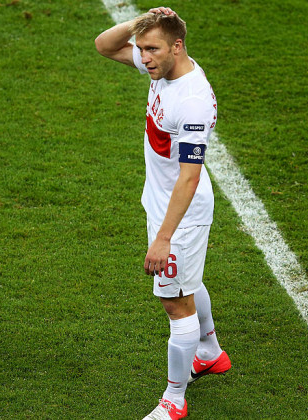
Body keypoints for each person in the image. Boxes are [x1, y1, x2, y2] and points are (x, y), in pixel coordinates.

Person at [95, 7, 231, 419]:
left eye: (151, 49)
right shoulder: (164, 67)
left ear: (177, 46)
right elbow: (104, 45)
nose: (144, 57)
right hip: (164, 203)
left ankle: (174, 399)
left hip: (181, 213)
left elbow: (190, 178)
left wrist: (164, 237)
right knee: (187, 285)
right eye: (141, 49)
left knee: (175, 303)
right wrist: (142, 22)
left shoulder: (192, 102)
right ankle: (209, 352)